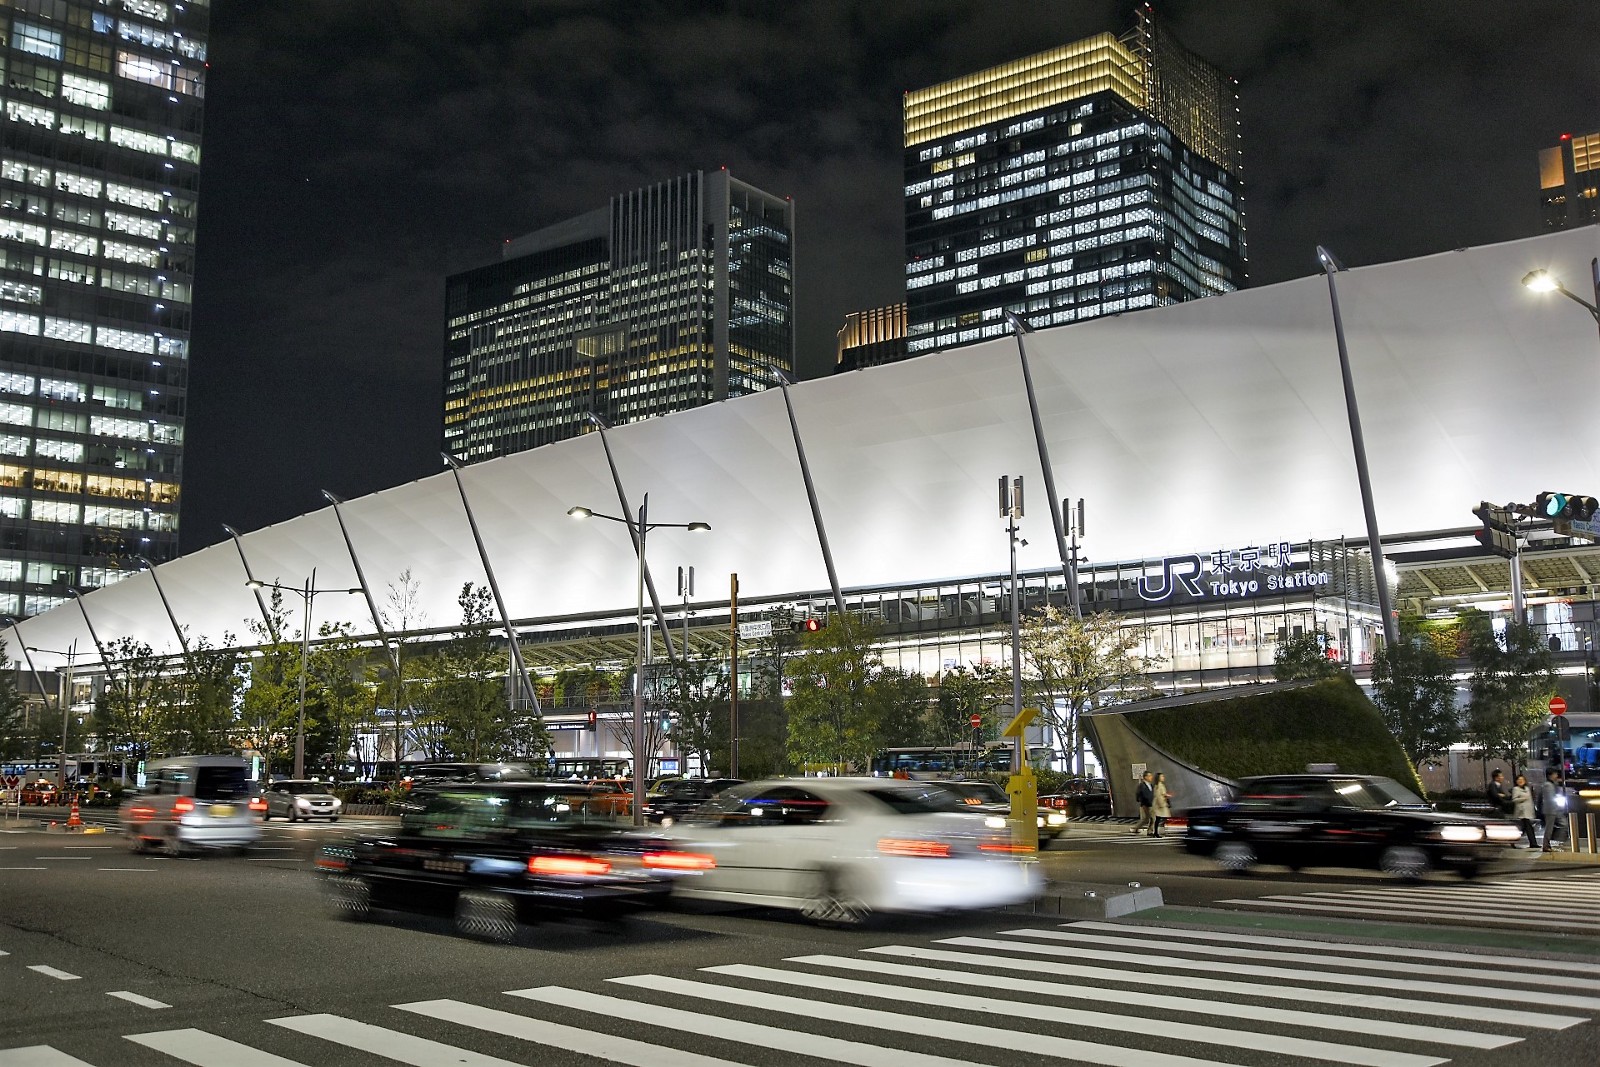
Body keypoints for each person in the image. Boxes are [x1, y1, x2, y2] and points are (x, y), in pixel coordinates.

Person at [1541, 768, 1568, 853]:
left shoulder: (1552, 784)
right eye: (1555, 774)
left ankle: (1556, 841)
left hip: (1554, 810)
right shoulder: (1547, 785)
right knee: (1549, 828)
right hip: (1551, 810)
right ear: (1550, 775)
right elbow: (1550, 798)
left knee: (1563, 824)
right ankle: (1546, 845)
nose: (1556, 775)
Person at [1511, 773, 1538, 849]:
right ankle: (1533, 843)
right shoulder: (1516, 789)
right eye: (1519, 780)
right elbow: (1514, 799)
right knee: (1528, 828)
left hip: (1528, 811)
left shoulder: (1527, 788)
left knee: (1522, 829)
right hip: (1521, 812)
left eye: (1522, 779)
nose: (1520, 781)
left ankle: (1512, 840)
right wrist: (1523, 798)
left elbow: (1530, 801)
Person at [1130, 771, 1155, 835]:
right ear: (1145, 777)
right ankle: (1135, 828)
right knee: (1145, 819)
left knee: (1153, 818)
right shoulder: (1141, 785)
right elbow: (1138, 794)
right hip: (1145, 804)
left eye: (1151, 776)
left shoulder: (1151, 785)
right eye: (1149, 776)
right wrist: (1142, 802)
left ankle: (1150, 831)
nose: (1151, 777)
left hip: (1151, 804)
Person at [1150, 772, 1173, 837]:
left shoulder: (1159, 785)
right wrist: (1162, 803)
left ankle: (1156, 832)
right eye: (1162, 776)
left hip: (1160, 803)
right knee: (1158, 818)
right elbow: (1159, 795)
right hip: (1160, 804)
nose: (1163, 777)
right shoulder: (1159, 786)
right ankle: (1156, 832)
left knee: (1158, 818)